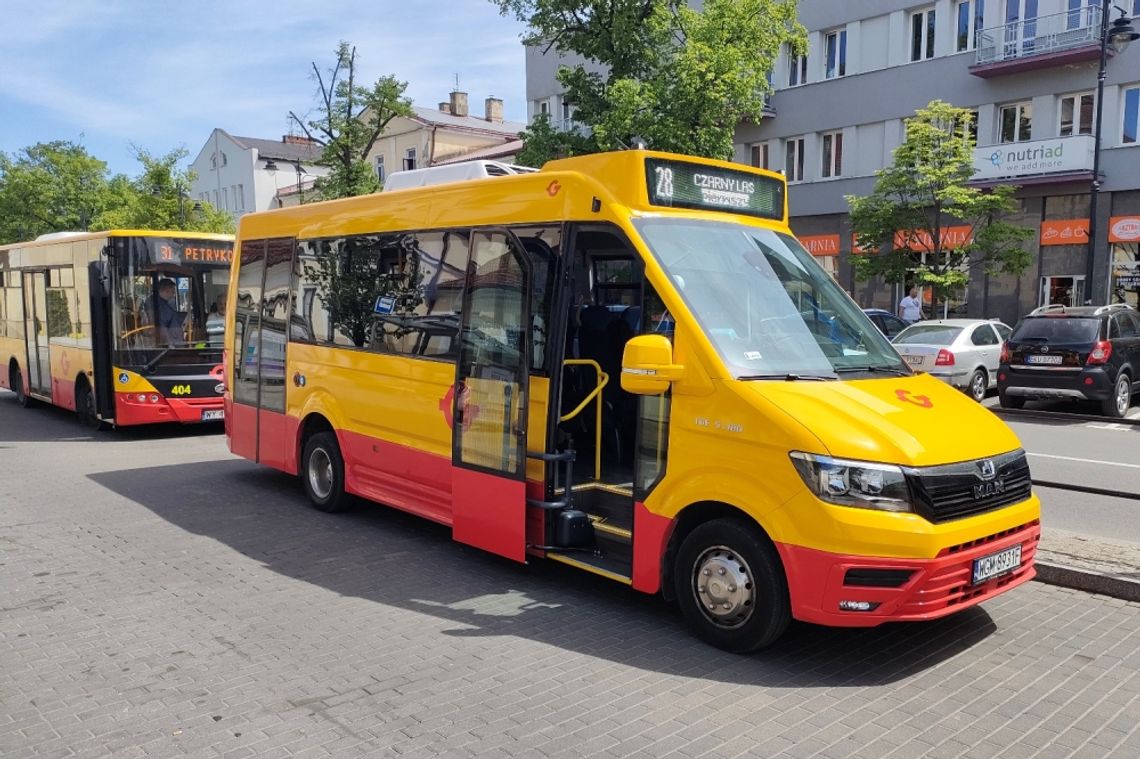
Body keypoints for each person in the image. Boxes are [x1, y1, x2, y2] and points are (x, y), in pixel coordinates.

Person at [146, 278, 186, 345]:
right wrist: (170, 345)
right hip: (170, 347)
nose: (174, 294)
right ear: (167, 290)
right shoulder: (160, 306)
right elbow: (162, 328)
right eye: (173, 291)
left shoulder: (153, 301)